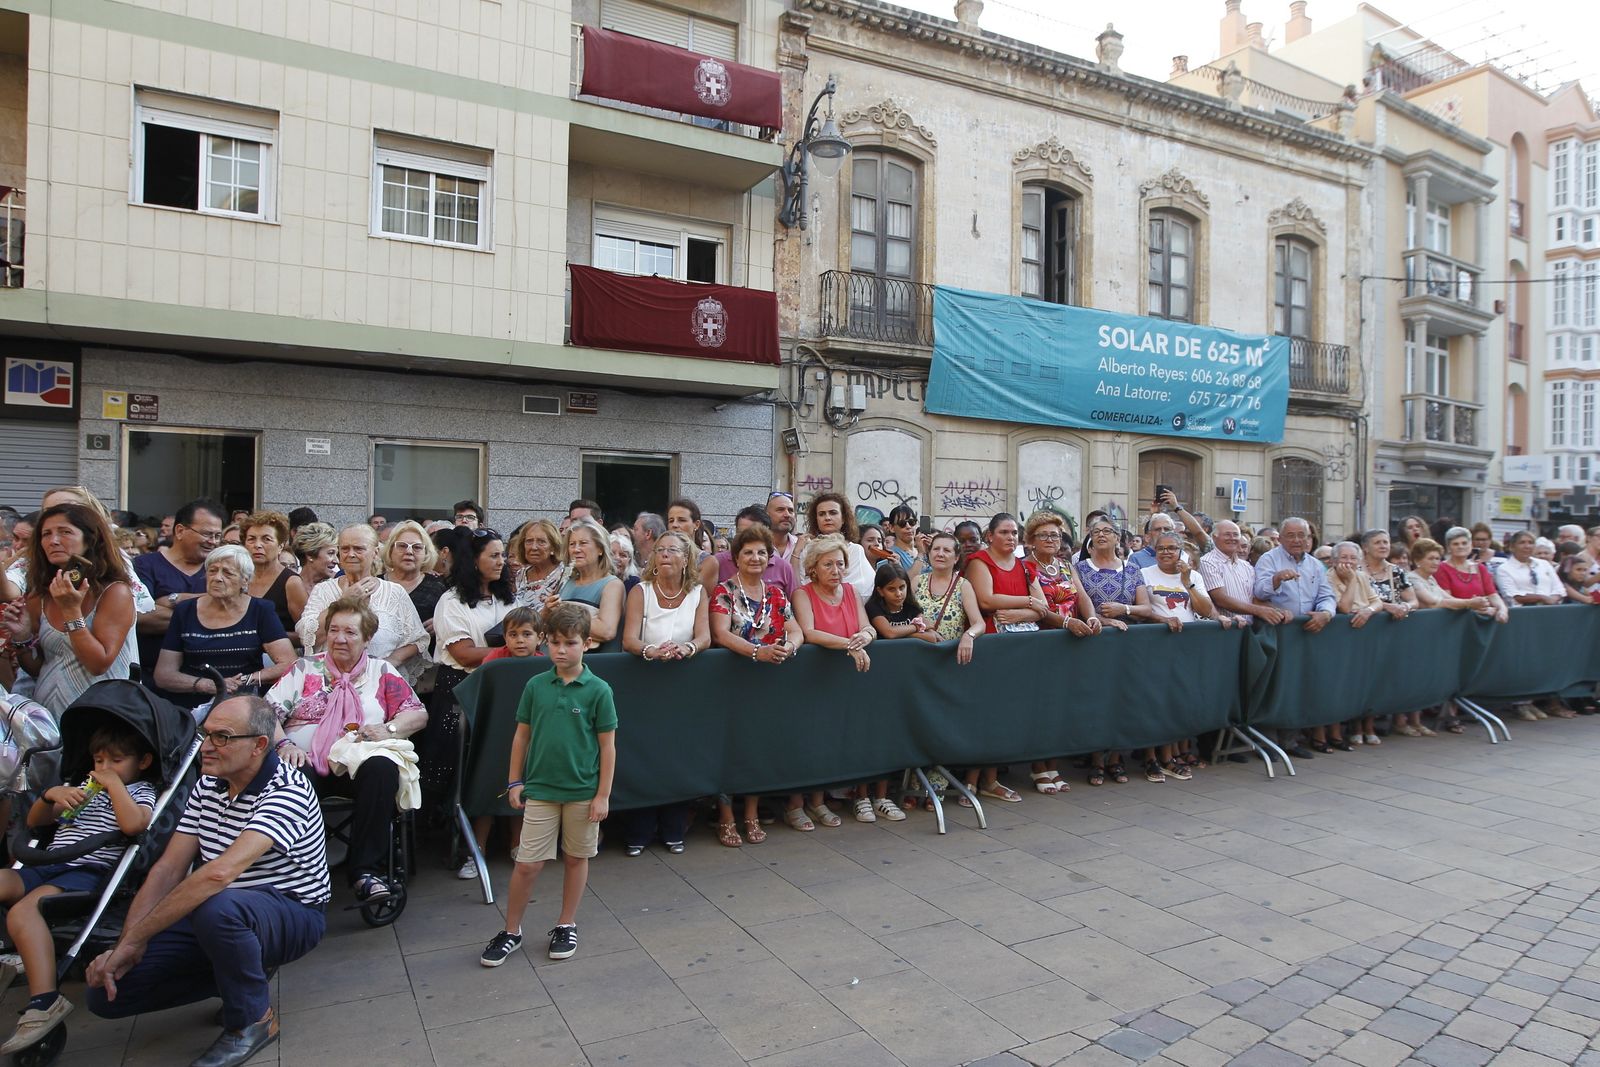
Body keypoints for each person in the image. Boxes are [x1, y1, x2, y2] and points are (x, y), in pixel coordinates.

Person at [85, 695, 327, 1067]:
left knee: (218, 906)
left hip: (292, 912)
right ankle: (241, 975)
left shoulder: (287, 789)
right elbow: (167, 869)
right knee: (106, 995)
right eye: (206, 734)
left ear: (258, 746)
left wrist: (137, 937)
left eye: (222, 737)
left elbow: (219, 873)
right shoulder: (209, 785)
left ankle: (253, 1020)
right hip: (220, 912)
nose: (207, 746)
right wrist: (127, 944)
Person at [0, 722, 156, 1054]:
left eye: (115, 761)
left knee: (23, 912)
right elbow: (36, 822)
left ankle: (45, 1002)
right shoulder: (84, 787)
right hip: (47, 864)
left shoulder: (140, 792)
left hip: (85, 871)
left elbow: (134, 825)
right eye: (98, 761)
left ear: (142, 762)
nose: (103, 769)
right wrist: (50, 795)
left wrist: (114, 785)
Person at [480, 603, 615, 967]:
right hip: (540, 788)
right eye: (554, 642)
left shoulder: (599, 690)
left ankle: (565, 923)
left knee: (576, 857)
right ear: (545, 643)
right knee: (527, 863)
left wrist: (602, 794)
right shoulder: (535, 685)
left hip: (582, 791)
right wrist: (515, 780)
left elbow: (607, 746)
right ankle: (511, 930)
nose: (561, 650)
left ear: (586, 644)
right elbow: (520, 737)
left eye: (569, 642)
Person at [268, 597, 428, 905]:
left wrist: (389, 729)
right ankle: (298, 873)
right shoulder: (305, 668)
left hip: (356, 766)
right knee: (293, 774)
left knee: (382, 768)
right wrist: (284, 744)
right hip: (308, 764)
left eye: (351, 632)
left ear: (368, 638)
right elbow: (267, 713)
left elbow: (417, 714)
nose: (340, 638)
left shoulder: (381, 671)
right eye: (334, 630)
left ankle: (366, 873)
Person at [709, 524, 802, 845]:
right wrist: (757, 651)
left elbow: (796, 630)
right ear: (736, 557)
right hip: (732, 682)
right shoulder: (723, 591)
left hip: (767, 684)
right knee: (728, 750)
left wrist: (789, 647)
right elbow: (721, 634)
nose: (755, 557)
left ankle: (751, 813)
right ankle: (725, 817)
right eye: (748, 551)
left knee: (757, 749)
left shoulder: (776, 594)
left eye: (762, 552)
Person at [428, 527, 514, 875]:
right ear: (473, 560)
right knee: (461, 769)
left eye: (503, 555)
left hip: (502, 690)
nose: (501, 561)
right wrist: (510, 651)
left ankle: (504, 841)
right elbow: (462, 653)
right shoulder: (451, 601)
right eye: (494, 555)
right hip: (461, 692)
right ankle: (464, 849)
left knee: (498, 766)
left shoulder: (506, 596)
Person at [1, 504, 138, 716]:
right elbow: (41, 668)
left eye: (65, 532)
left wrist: (71, 611)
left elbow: (98, 664)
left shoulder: (114, 592)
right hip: (47, 721)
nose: (53, 541)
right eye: (46, 534)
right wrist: (22, 637)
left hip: (96, 719)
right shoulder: (41, 594)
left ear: (90, 539)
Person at [616, 532, 706, 854]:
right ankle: (638, 832)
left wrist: (688, 647)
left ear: (686, 559)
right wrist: (651, 651)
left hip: (683, 687)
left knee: (676, 756)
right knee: (645, 756)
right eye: (660, 550)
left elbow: (705, 636)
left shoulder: (697, 592)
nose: (665, 554)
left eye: (673, 550)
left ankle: (673, 828)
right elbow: (629, 640)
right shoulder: (640, 591)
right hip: (645, 683)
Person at [790, 534, 873, 828]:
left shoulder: (850, 592)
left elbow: (867, 627)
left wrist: (865, 636)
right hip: (814, 680)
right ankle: (796, 804)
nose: (836, 570)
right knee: (808, 741)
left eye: (840, 564)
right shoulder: (803, 593)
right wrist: (851, 645)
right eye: (828, 564)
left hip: (847, 681)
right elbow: (809, 632)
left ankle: (819, 801)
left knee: (833, 740)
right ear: (813, 567)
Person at [152, 545, 296, 709]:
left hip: (242, 704)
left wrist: (243, 680)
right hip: (189, 707)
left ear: (245, 580)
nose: (217, 578)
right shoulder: (185, 611)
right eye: (212, 571)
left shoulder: (260, 610)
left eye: (227, 573)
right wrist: (206, 684)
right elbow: (163, 674)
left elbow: (288, 662)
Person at [1253, 518, 1350, 754]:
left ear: (1309, 538)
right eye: (1291, 535)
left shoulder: (1316, 565)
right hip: (1276, 632)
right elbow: (1258, 591)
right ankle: (1268, 742)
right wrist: (1276, 579)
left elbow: (1326, 595)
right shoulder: (1269, 559)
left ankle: (1291, 740)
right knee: (1275, 686)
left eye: (1302, 536)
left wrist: (1326, 613)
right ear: (1282, 537)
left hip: (1304, 634)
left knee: (1298, 685)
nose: (1297, 540)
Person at [1022, 511, 1100, 793]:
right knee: (1040, 708)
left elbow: (1082, 596)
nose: (1051, 539)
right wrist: (1067, 622)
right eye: (1043, 535)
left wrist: (1091, 617)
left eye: (1055, 535)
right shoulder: (1026, 567)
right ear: (1031, 540)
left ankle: (1053, 765)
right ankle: (1036, 767)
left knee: (1060, 708)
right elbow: (1039, 609)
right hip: (1043, 641)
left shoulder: (1067, 565)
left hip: (1072, 641)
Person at [295, 525, 428, 677]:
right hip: (330, 681)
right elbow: (309, 637)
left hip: (379, 683)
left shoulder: (394, 592)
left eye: (358, 549)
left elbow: (419, 640)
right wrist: (344, 600)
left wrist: (389, 663)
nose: (351, 554)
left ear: (375, 552)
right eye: (345, 549)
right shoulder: (323, 590)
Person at [133, 499, 225, 684]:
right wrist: (209, 607)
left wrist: (172, 600)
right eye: (207, 534)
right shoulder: (145, 565)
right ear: (180, 530)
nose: (213, 542)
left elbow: (234, 611)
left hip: (212, 678)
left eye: (217, 536)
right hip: (152, 680)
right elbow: (142, 617)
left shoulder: (223, 568)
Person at [547, 519, 624, 647]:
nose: (576, 549)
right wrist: (546, 611)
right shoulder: (565, 582)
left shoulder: (612, 585)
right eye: (572, 544)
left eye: (583, 543)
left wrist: (562, 613)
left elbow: (606, 631)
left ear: (600, 549)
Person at [1200, 520, 1289, 628]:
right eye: (1227, 534)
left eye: (1236, 535)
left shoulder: (1246, 566)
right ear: (1214, 537)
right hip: (1224, 630)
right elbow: (1221, 599)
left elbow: (1253, 599)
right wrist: (1259, 611)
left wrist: (1277, 611)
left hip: (1247, 630)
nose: (1232, 538)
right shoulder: (1208, 562)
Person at [699, 506, 797, 600]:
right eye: (741, 533)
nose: (746, 538)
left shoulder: (784, 568)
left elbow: (793, 606)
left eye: (753, 533)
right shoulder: (717, 562)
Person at [242, 512, 307, 641]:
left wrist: (268, 635)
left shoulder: (291, 582)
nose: (257, 545)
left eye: (266, 539)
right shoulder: (238, 577)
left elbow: (308, 635)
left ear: (281, 546)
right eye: (251, 539)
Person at [383, 520, 447, 642]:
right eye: (402, 546)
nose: (409, 552)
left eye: (417, 547)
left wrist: (442, 622)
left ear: (426, 553)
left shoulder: (440, 587)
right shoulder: (376, 584)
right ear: (390, 550)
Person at [805, 492, 875, 597]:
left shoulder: (855, 550)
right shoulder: (807, 549)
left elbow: (863, 589)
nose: (827, 517)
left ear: (843, 519)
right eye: (822, 514)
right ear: (816, 520)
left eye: (833, 513)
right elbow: (802, 583)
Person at [508, 518, 567, 609]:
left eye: (541, 542)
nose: (534, 547)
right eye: (529, 541)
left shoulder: (564, 575)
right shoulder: (520, 575)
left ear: (553, 547)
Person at [1495, 530, 1564, 606]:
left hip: (1551, 609)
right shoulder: (1504, 569)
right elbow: (1512, 595)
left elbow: (1559, 589)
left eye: (1530, 543)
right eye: (1522, 542)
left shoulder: (1544, 564)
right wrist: (1542, 598)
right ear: (1512, 547)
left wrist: (1552, 600)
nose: (1527, 546)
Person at [292, 522, 341, 591]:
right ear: (310, 555)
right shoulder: (289, 586)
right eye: (330, 553)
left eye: (336, 554)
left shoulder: (337, 587)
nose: (337, 561)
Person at [884, 504, 928, 576]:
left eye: (911, 522)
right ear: (891, 528)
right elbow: (906, 583)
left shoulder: (924, 550)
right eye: (902, 523)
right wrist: (921, 554)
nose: (908, 527)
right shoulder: (891, 555)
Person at [766, 491, 804, 563]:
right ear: (767, 515)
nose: (787, 515)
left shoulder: (804, 546)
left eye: (790, 511)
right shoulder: (757, 546)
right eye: (780, 510)